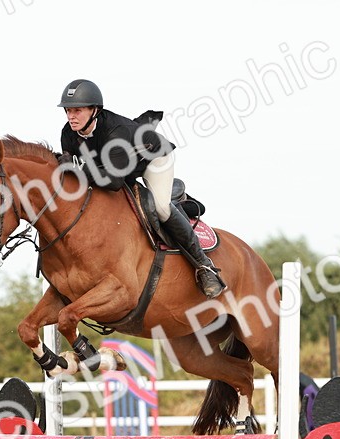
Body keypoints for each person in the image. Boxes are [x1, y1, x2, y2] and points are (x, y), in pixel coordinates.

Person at [57, 78, 226, 299]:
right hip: (118, 166)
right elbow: (80, 172)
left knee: (161, 208)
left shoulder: (115, 131)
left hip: (153, 159)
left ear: (94, 110)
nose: (71, 116)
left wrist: (80, 169)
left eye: (77, 110)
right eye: (68, 110)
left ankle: (204, 266)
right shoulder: (68, 133)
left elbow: (115, 182)